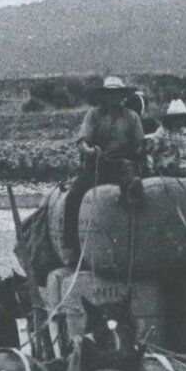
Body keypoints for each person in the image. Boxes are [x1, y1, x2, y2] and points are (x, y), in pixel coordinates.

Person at [64, 76, 145, 250]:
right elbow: (82, 141)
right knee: (73, 195)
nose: (113, 98)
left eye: (117, 94)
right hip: (97, 165)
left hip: (123, 164)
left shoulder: (132, 117)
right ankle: (70, 243)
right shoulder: (93, 115)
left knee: (134, 187)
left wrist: (141, 150)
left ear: (122, 96)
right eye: (110, 94)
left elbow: (139, 143)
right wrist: (89, 150)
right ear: (104, 96)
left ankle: (132, 241)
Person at [147, 99, 186, 177]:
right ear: (171, 119)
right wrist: (151, 167)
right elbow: (151, 149)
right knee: (171, 167)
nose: (179, 121)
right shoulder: (163, 131)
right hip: (169, 163)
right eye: (176, 118)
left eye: (182, 118)